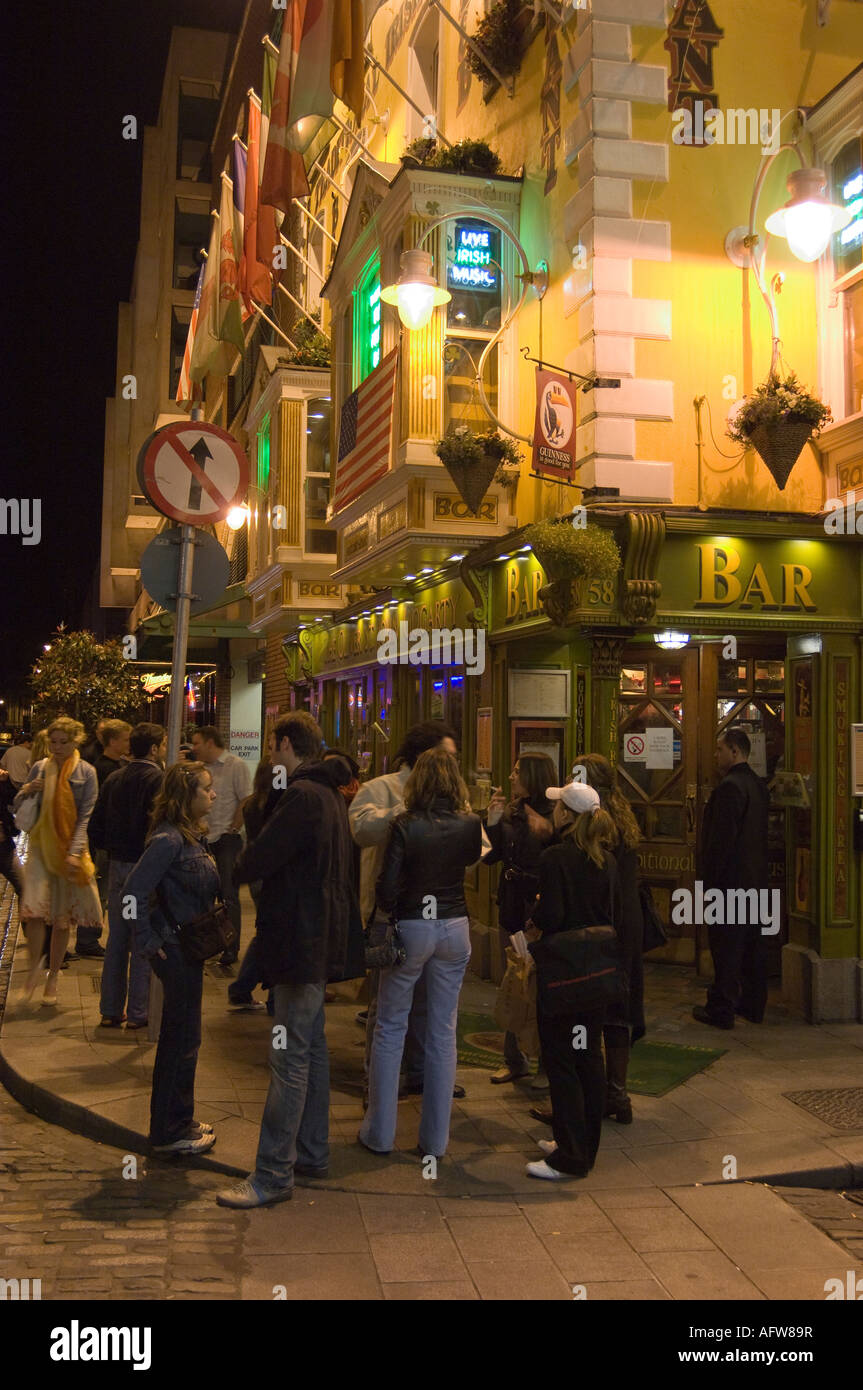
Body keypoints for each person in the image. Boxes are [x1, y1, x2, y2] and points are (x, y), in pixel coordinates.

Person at [216, 712, 361, 1208]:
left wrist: (228, 871)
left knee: (289, 1057)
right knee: (311, 1048)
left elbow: (257, 859)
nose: (270, 756)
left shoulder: (302, 796)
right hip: (318, 941)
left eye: (273, 746)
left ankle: (273, 1174)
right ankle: (312, 1152)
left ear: (284, 744)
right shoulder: (329, 794)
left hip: (300, 943)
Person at [359, 748, 482, 1160]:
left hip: (412, 927)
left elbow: (386, 886)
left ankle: (379, 1133)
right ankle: (435, 1141)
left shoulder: (404, 825)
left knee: (390, 1027)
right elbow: (466, 863)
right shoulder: (470, 825)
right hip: (455, 927)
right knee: (443, 1031)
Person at [348, 720, 467, 1101]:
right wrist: (407, 809)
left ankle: (421, 1074)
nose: (453, 766)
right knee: (385, 1006)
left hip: (444, 916)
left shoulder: (454, 799)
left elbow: (474, 850)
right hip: (394, 916)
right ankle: (378, 1083)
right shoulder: (379, 788)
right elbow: (361, 831)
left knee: (431, 1006)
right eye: (446, 757)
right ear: (424, 758)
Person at [525, 781, 621, 1181]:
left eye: (558, 805)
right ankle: (580, 1143)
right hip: (597, 973)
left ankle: (570, 1157)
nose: (554, 811)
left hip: (565, 972)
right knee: (588, 1057)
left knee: (561, 1058)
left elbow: (554, 914)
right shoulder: (607, 860)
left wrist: (534, 917)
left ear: (566, 815)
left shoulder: (556, 859)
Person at [123, 761, 219, 1156]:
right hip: (175, 950)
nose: (212, 795)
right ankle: (167, 1130)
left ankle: (180, 1118)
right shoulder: (168, 841)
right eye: (206, 789)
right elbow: (132, 895)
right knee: (178, 1039)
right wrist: (149, 942)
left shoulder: (188, 836)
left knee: (187, 1038)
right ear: (186, 796)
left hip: (189, 949)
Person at [570, 754, 643, 1125]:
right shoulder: (623, 815)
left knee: (589, 1008)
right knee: (619, 1008)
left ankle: (591, 1096)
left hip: (604, 925)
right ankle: (617, 1093)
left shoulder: (597, 822)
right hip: (627, 922)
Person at [14, 716, 102, 1006]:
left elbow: (85, 816)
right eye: (53, 741)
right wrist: (29, 790)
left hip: (69, 850)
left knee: (62, 920)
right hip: (41, 847)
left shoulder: (86, 772)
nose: (58, 747)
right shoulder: (40, 767)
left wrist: (75, 852)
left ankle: (53, 976)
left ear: (76, 741)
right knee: (35, 913)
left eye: (64, 742)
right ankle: (33, 974)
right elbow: (17, 805)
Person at [88, 722, 166, 1029]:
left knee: (117, 939)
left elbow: (95, 826)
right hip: (144, 867)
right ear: (154, 748)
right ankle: (138, 1012)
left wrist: (111, 847)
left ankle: (110, 1008)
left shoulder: (115, 778)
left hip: (118, 866)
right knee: (142, 939)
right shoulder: (157, 779)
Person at [484, 753, 555, 1086]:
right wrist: (492, 822)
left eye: (516, 772)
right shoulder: (511, 811)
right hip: (511, 902)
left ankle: (544, 1062)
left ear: (533, 776)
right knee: (512, 981)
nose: (511, 777)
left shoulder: (556, 813)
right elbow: (489, 857)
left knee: (539, 985)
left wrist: (547, 830)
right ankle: (514, 1059)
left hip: (539, 906)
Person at [694, 727, 770, 1029]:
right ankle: (753, 1005)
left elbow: (720, 841)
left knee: (726, 947)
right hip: (755, 881)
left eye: (719, 750)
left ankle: (721, 1009)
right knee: (752, 946)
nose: (715, 755)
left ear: (735, 751)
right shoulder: (759, 785)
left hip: (730, 883)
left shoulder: (729, 788)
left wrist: (708, 881)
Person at [227, 745, 282, 1014]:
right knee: (275, 935)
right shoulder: (281, 804)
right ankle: (272, 997)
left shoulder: (252, 804)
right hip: (274, 875)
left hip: (259, 876)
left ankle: (242, 988)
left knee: (266, 933)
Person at [191, 727, 252, 965]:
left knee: (228, 895)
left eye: (196, 743)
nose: (193, 747)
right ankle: (208, 944)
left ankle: (230, 948)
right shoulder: (199, 770)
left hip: (227, 839)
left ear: (209, 742)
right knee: (204, 893)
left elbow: (246, 799)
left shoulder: (235, 765)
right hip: (203, 837)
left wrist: (234, 828)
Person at [80, 718, 132, 960]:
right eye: (125, 739)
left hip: (104, 840)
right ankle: (88, 938)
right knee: (99, 890)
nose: (128, 743)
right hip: (104, 842)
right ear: (112, 741)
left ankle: (89, 937)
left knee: (103, 889)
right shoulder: (106, 769)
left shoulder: (115, 766)